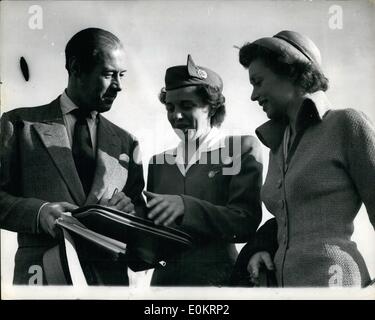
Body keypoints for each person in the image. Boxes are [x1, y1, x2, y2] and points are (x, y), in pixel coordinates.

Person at [0, 28, 145, 285]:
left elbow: (139, 216)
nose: (119, 86)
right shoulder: (18, 124)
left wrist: (123, 218)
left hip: (108, 283)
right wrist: (40, 212)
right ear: (76, 68)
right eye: (109, 74)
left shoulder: (126, 142)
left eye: (122, 75)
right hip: (42, 281)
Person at [236, 30, 375, 287]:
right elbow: (287, 219)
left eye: (258, 81)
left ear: (290, 72)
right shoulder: (278, 145)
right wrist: (261, 248)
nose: (253, 95)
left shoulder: (346, 124)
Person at [144, 55, 263, 286]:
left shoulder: (239, 149)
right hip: (164, 288)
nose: (176, 116)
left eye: (187, 106)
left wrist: (185, 206)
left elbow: (245, 223)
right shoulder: (158, 163)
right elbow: (153, 234)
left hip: (219, 285)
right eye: (170, 107)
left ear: (211, 107)